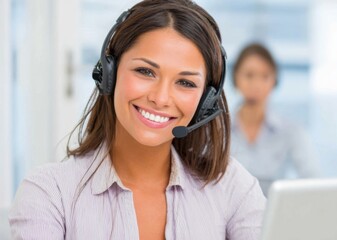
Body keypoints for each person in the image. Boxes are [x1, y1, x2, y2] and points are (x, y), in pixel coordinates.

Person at [9, 1, 266, 239]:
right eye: (145, 71)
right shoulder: (50, 193)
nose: (161, 98)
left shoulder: (233, 188)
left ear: (205, 102)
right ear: (109, 72)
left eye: (185, 83)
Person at [230, 43, 318, 196]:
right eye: (249, 75)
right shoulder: (217, 130)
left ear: (274, 81)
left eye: (265, 76)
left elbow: (313, 181)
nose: (256, 84)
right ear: (236, 78)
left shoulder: (290, 131)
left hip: (273, 215)